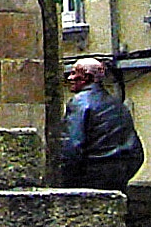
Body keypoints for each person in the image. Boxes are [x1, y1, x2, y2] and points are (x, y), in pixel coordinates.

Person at [59, 56, 145, 189]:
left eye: (74, 73)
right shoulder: (116, 104)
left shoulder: (79, 102)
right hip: (121, 170)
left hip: (94, 172)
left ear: (86, 78)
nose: (69, 78)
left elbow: (72, 145)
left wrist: (64, 179)